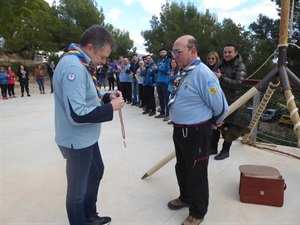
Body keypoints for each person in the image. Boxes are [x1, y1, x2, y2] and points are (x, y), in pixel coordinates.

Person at [53, 25, 125, 225]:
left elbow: (87, 97)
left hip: (87, 138)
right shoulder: (73, 67)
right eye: (102, 57)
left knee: (96, 171)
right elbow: (77, 114)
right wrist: (111, 107)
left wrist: (107, 96)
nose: (103, 62)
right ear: (90, 48)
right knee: (76, 193)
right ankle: (83, 219)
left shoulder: (80, 63)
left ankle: (89, 216)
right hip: (77, 141)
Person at [167, 35, 228, 225]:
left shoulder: (203, 74)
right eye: (173, 52)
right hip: (180, 130)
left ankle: (198, 212)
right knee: (182, 168)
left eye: (178, 52)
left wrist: (214, 121)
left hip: (196, 132)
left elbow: (220, 106)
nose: (175, 56)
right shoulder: (185, 71)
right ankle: (185, 198)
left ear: (193, 51)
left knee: (197, 173)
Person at [211, 44, 247, 160]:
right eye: (225, 52)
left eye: (229, 52)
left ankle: (225, 150)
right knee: (215, 124)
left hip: (232, 101)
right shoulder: (220, 64)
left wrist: (221, 78)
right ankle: (212, 147)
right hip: (218, 99)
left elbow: (238, 84)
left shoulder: (240, 66)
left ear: (236, 53)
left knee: (228, 127)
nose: (226, 54)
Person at [152, 47, 171, 120]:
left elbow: (168, 70)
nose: (162, 54)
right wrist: (154, 70)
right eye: (161, 53)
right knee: (160, 98)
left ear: (166, 53)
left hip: (165, 81)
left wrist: (158, 69)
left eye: (163, 52)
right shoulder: (159, 60)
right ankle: (162, 112)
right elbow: (157, 71)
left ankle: (168, 114)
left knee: (167, 98)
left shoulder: (169, 60)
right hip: (158, 81)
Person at [166, 58, 179, 124]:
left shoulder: (179, 71)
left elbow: (177, 79)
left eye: (174, 62)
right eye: (172, 62)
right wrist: (171, 77)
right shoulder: (170, 70)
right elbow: (167, 81)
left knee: (175, 104)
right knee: (170, 104)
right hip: (170, 88)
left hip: (176, 89)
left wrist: (172, 77)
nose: (173, 64)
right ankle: (172, 118)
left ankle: (176, 119)